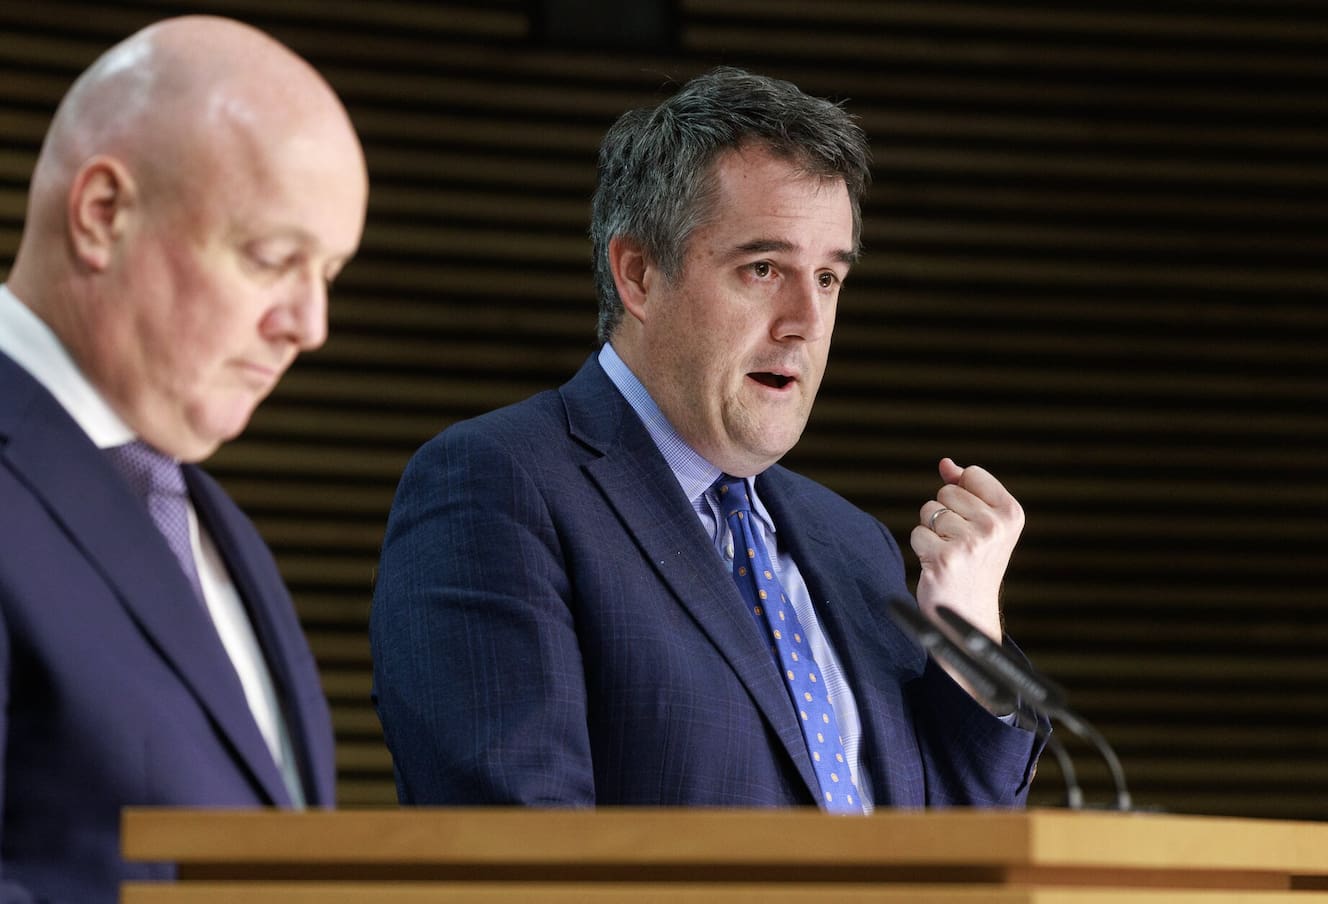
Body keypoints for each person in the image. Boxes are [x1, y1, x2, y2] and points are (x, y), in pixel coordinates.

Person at [371, 67, 1045, 810]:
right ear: (638, 274)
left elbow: (966, 847)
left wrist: (967, 637)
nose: (806, 322)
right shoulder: (496, 486)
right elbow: (517, 844)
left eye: (828, 279)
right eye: (764, 269)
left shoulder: (855, 546)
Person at [0, 16, 367, 902]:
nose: (309, 326)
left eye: (328, 274)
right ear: (103, 214)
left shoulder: (210, 523)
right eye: (272, 258)